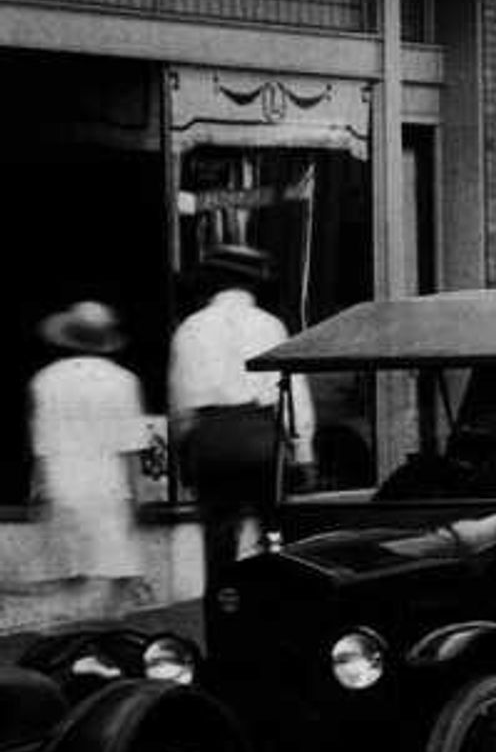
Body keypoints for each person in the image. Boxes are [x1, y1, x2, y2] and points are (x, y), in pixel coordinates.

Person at [168, 245, 298, 579]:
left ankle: (223, 602)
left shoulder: (191, 328)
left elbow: (181, 403)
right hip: (260, 433)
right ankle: (276, 594)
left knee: (218, 536)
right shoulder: (270, 325)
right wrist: (303, 449)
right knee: (274, 529)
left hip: (213, 438)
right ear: (253, 284)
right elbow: (291, 391)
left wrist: (185, 452)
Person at [27, 302, 149, 603]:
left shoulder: (45, 381)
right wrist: (139, 495)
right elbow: (130, 447)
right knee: (116, 572)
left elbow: (42, 445)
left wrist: (37, 489)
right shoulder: (123, 381)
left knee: (68, 572)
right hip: (108, 486)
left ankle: (70, 633)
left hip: (63, 483)